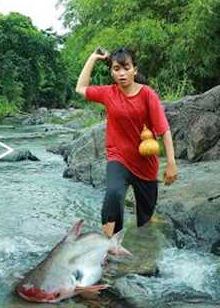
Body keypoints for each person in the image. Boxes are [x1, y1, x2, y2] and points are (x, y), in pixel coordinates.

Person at [75, 48, 178, 237]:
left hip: (145, 163)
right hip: (118, 158)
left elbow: (163, 129)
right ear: (112, 72)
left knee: (145, 222)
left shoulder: (147, 94)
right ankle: (111, 246)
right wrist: (92, 58)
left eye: (126, 68)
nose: (121, 73)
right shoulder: (109, 93)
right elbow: (80, 88)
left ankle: (143, 255)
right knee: (113, 194)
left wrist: (171, 163)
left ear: (134, 70)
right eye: (116, 69)